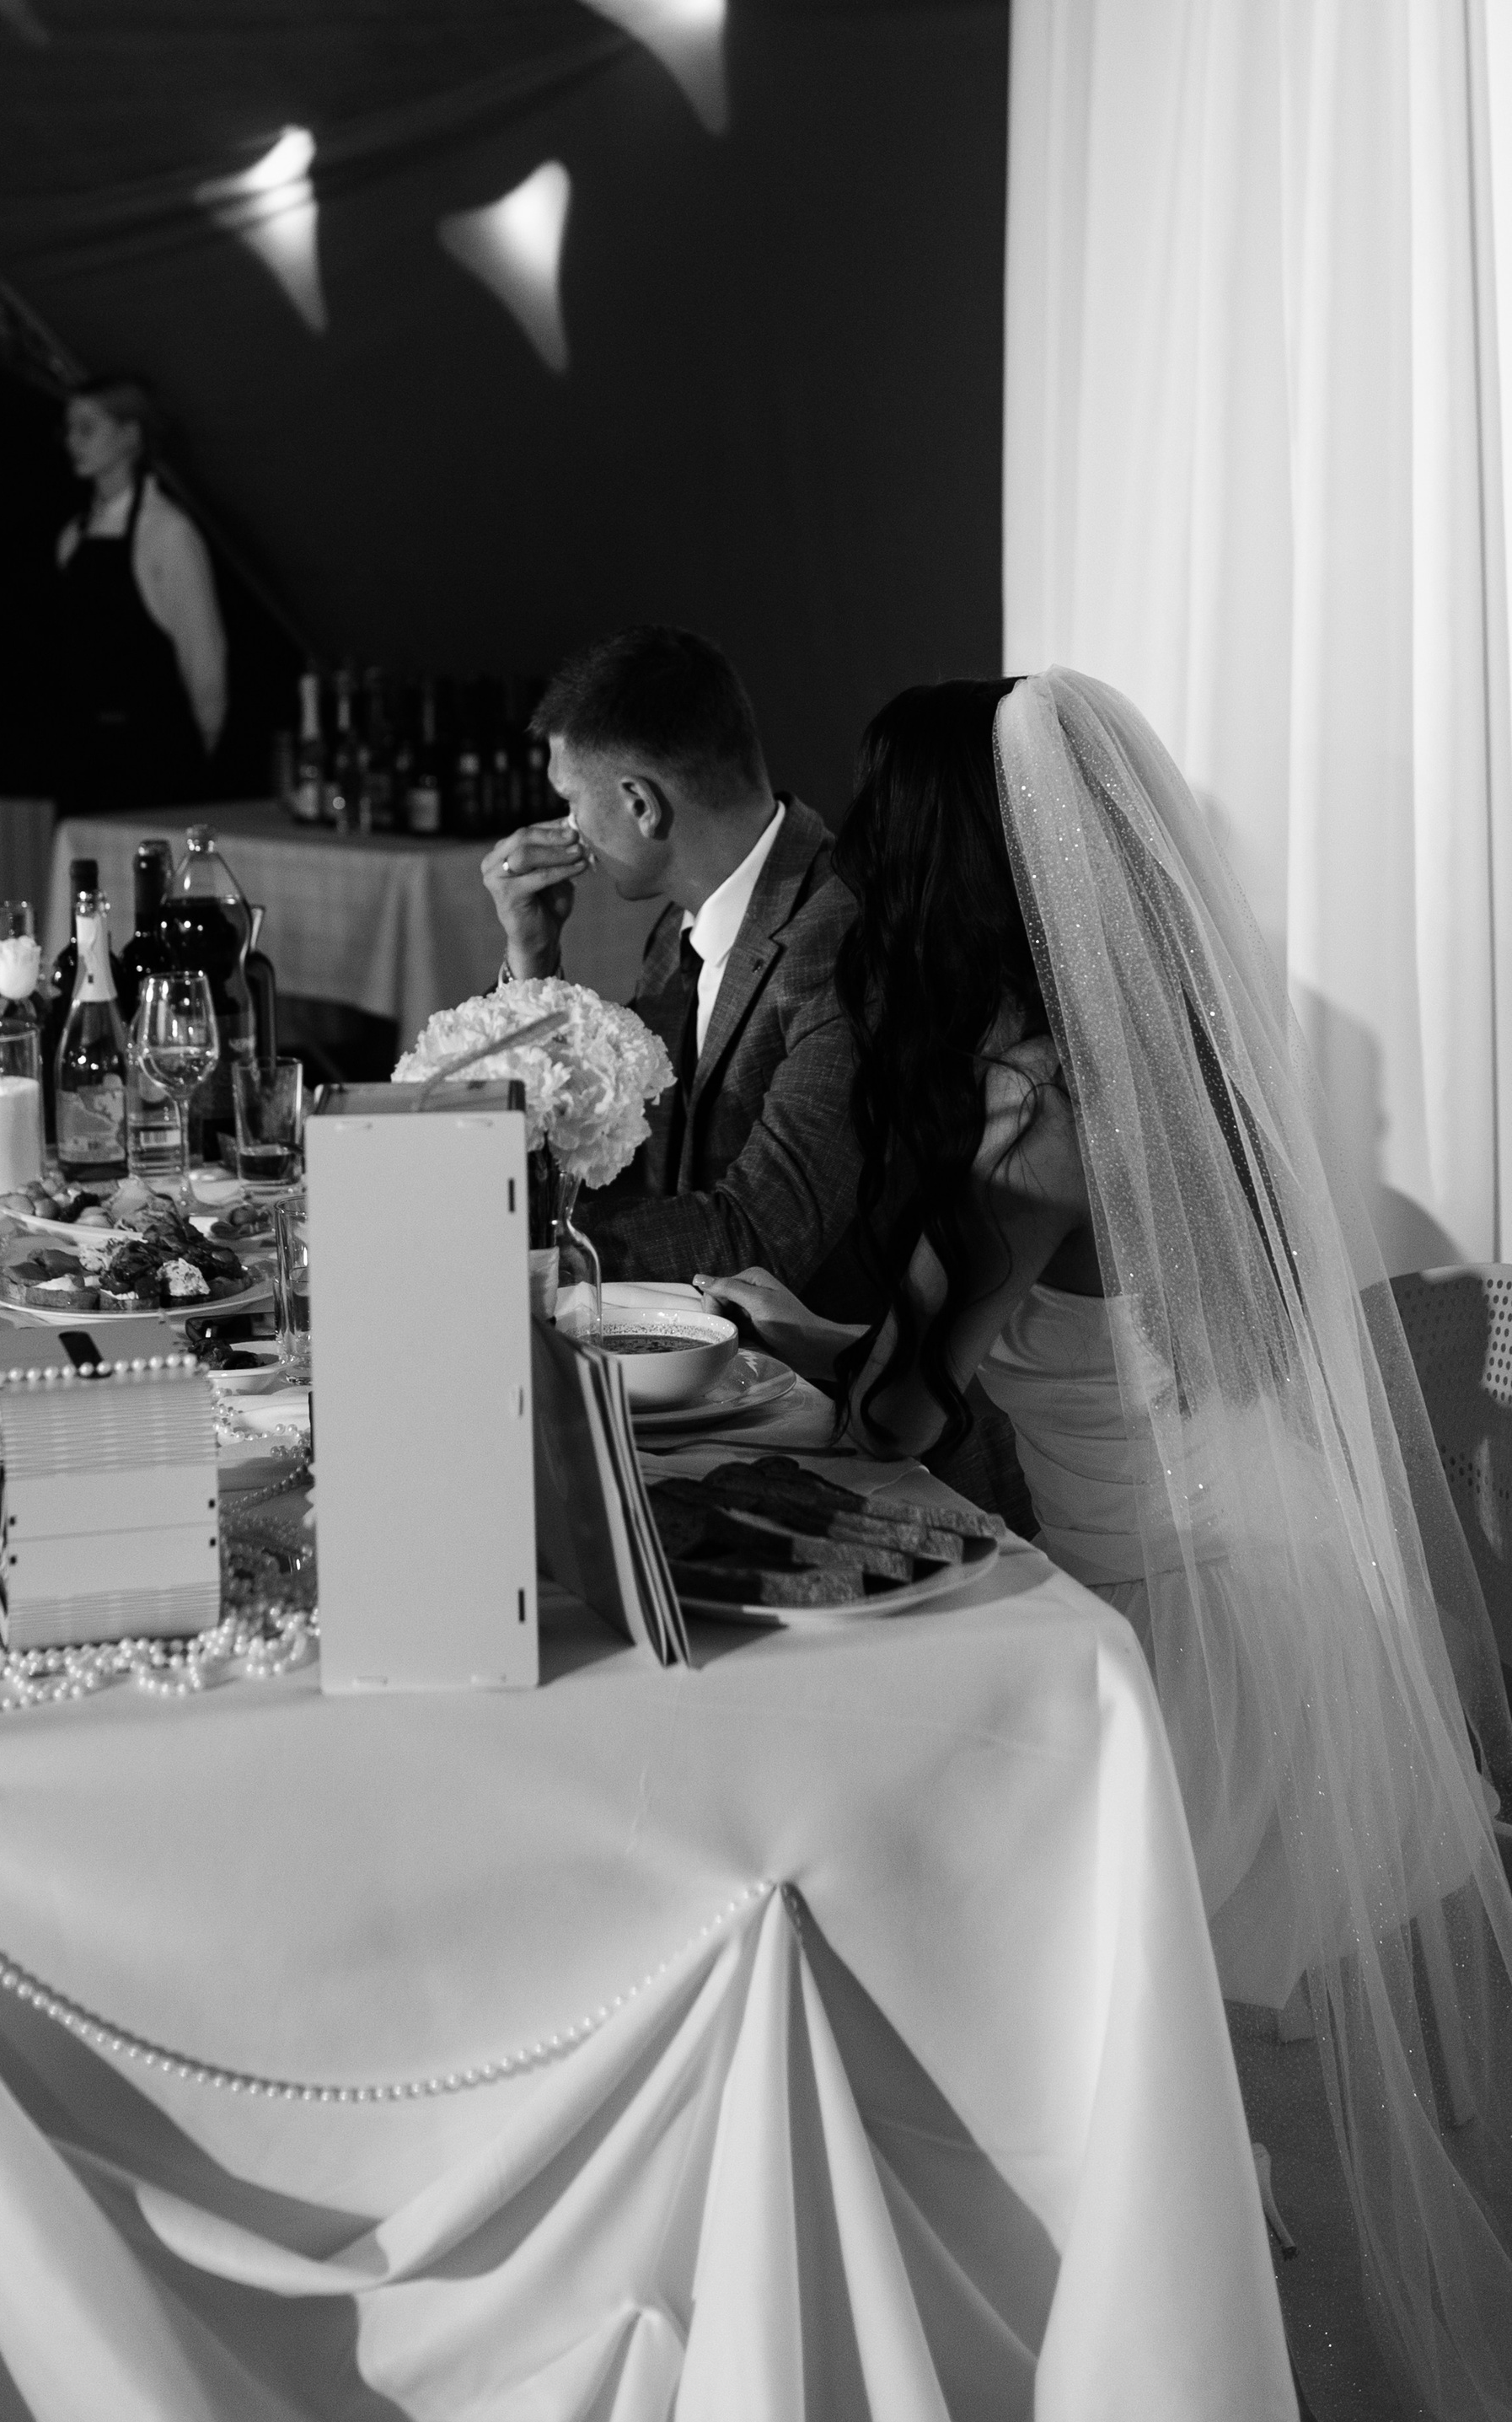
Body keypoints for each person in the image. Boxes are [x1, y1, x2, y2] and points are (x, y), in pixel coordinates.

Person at [704, 670, 1512, 2422]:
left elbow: (902, 1413)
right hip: (1288, 1596)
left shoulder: (1024, 1112)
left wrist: (775, 1349)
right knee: (1244, 2110)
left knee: (1155, 2095)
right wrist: (815, 1332)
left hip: (1183, 1637)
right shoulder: (1163, 1063)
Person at [482, 626, 859, 1298]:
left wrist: (529, 1247)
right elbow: (609, 1139)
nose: (566, 828)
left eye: (571, 800)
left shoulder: (838, 940)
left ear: (641, 804)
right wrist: (532, 958)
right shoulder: (677, 929)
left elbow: (762, 1232)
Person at [55, 376, 226, 816]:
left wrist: (200, 747)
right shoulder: (73, 538)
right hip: (85, 758)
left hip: (153, 762)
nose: (72, 441)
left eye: (87, 429)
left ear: (130, 436)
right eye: (69, 429)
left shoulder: (168, 533)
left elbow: (204, 658)